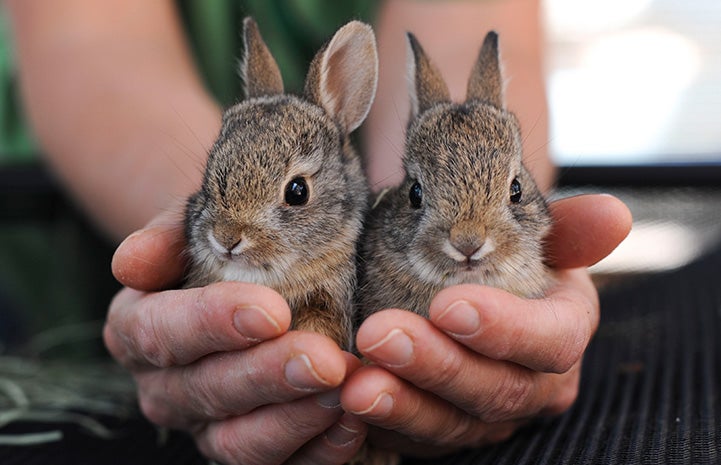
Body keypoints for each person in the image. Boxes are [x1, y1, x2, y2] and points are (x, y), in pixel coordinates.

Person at [2, 0, 632, 464]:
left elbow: (469, 36)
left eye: (294, 195)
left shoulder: (376, 224)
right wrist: (175, 237)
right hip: (78, 317)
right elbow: (86, 40)